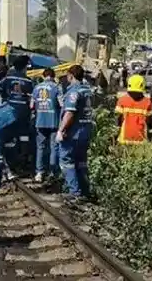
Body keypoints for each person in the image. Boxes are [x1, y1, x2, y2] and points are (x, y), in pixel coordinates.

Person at [58, 65, 95, 200]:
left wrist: (61, 130)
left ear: (71, 76)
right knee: (81, 162)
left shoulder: (74, 92)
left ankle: (74, 192)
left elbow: (69, 113)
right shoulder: (88, 91)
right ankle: (85, 191)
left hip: (74, 132)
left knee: (66, 160)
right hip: (86, 131)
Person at [0, 56, 35, 171]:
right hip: (24, 112)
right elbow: (32, 98)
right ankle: (23, 159)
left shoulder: (8, 78)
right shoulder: (28, 81)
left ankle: (9, 162)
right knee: (24, 136)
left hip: (9, 111)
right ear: (24, 68)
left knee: (9, 137)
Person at [32, 68, 61, 182]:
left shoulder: (36, 87)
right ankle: (52, 172)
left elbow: (31, 105)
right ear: (53, 76)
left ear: (43, 76)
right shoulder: (57, 87)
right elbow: (62, 104)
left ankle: (39, 173)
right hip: (53, 122)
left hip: (40, 121)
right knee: (54, 147)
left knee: (40, 147)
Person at [116, 74, 152, 145]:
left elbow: (118, 120)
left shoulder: (122, 100)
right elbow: (151, 122)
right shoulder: (147, 102)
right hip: (141, 140)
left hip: (124, 139)